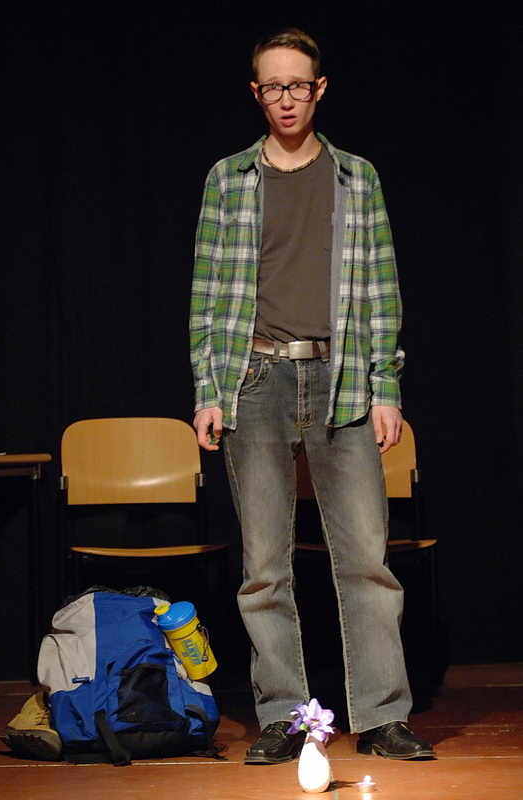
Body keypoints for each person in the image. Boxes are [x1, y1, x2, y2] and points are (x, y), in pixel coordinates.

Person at [190, 28, 435, 764]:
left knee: (364, 558)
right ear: (256, 93)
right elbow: (206, 296)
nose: (286, 99)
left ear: (319, 88)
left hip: (342, 376)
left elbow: (382, 289)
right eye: (273, 87)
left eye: (297, 85)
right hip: (255, 377)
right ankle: (286, 717)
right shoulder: (228, 178)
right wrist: (208, 388)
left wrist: (386, 386)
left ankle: (382, 716)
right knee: (264, 566)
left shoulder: (356, 176)